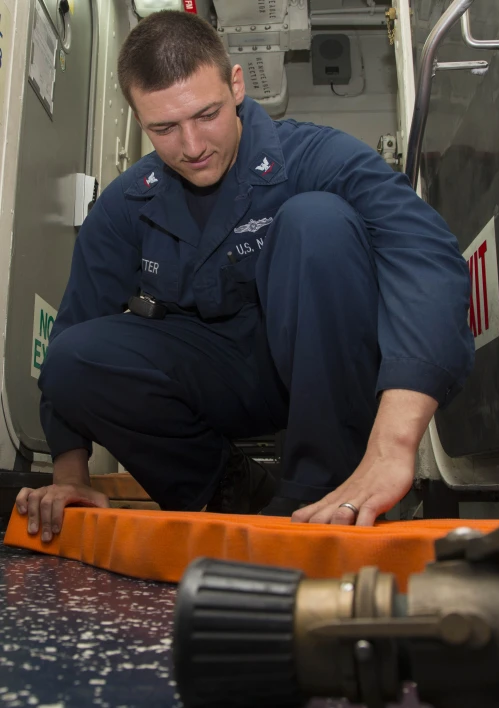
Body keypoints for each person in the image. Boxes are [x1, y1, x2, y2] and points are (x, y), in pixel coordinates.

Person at [16, 11, 474, 543]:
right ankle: (229, 488)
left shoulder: (316, 155)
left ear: (235, 86)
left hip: (324, 370)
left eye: (206, 115)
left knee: (317, 223)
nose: (191, 146)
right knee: (75, 354)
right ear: (141, 121)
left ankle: (329, 489)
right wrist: (69, 477)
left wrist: (395, 444)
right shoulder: (126, 206)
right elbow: (70, 341)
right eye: (164, 128)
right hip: (220, 380)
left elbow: (426, 255)